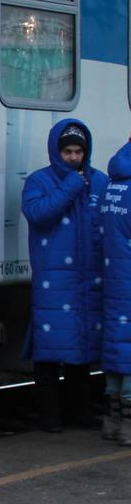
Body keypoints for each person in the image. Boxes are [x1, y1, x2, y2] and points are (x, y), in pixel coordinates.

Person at [22, 119, 107, 432]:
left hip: (87, 278)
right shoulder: (39, 181)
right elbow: (38, 214)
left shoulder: (100, 182)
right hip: (54, 280)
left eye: (78, 152)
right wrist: (72, 185)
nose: (73, 157)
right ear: (56, 151)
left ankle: (79, 413)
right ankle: (49, 417)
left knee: (80, 351)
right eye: (68, 151)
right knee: (48, 352)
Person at [99, 137, 131, 445]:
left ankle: (112, 420)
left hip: (114, 277)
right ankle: (129, 427)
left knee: (116, 346)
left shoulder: (114, 185)